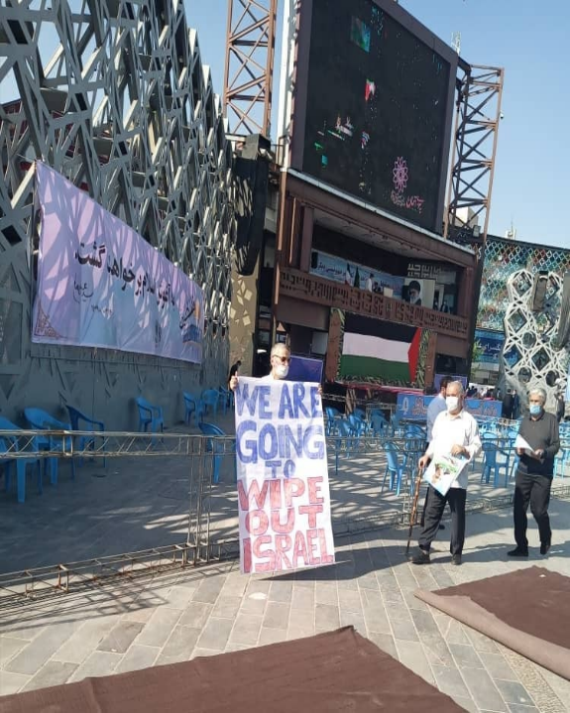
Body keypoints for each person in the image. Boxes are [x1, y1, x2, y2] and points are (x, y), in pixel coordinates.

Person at [410, 381, 482, 566]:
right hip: (439, 471)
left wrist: (465, 449)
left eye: (453, 395)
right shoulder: (441, 417)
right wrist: (427, 455)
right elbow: (434, 441)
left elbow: (477, 445)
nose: (450, 399)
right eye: (448, 395)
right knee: (432, 512)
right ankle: (424, 550)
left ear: (462, 397)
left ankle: (456, 552)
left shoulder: (469, 421)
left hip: (457, 477)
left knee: (457, 515)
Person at [508, 387, 560, 557]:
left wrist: (543, 453)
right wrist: (519, 450)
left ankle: (546, 537)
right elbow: (519, 440)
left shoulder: (551, 420)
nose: (533, 404)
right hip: (524, 470)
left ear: (543, 403)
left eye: (537, 401)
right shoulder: (524, 420)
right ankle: (521, 546)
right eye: (531, 401)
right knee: (518, 510)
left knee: (538, 510)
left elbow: (555, 445)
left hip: (542, 473)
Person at [420, 376, 454, 529]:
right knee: (435, 485)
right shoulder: (436, 405)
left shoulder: (446, 404)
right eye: (451, 391)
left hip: (444, 448)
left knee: (439, 485)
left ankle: (432, 518)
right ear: (443, 389)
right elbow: (437, 430)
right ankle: (428, 519)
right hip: (434, 448)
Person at [229, 344, 323, 393]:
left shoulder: (295, 388)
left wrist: (314, 395)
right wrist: (236, 387)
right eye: (283, 359)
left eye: (289, 360)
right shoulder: (261, 384)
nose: (286, 364)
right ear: (272, 360)